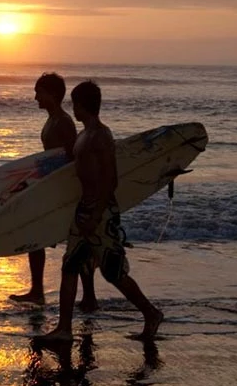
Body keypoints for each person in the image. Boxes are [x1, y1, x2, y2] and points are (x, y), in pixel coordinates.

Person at [34, 80, 163, 342]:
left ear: (83, 105)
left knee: (112, 272)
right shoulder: (84, 135)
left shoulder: (101, 136)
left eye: (75, 103)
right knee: (69, 266)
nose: (73, 108)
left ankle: (151, 313)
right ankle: (64, 330)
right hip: (85, 209)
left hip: (100, 213)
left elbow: (111, 180)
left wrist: (95, 216)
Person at [10, 73, 97, 311]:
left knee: (76, 243)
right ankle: (38, 291)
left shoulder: (63, 122)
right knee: (36, 236)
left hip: (62, 190)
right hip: (50, 187)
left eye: (39, 92)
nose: (35, 96)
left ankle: (88, 296)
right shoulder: (52, 120)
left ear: (52, 94)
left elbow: (71, 158)